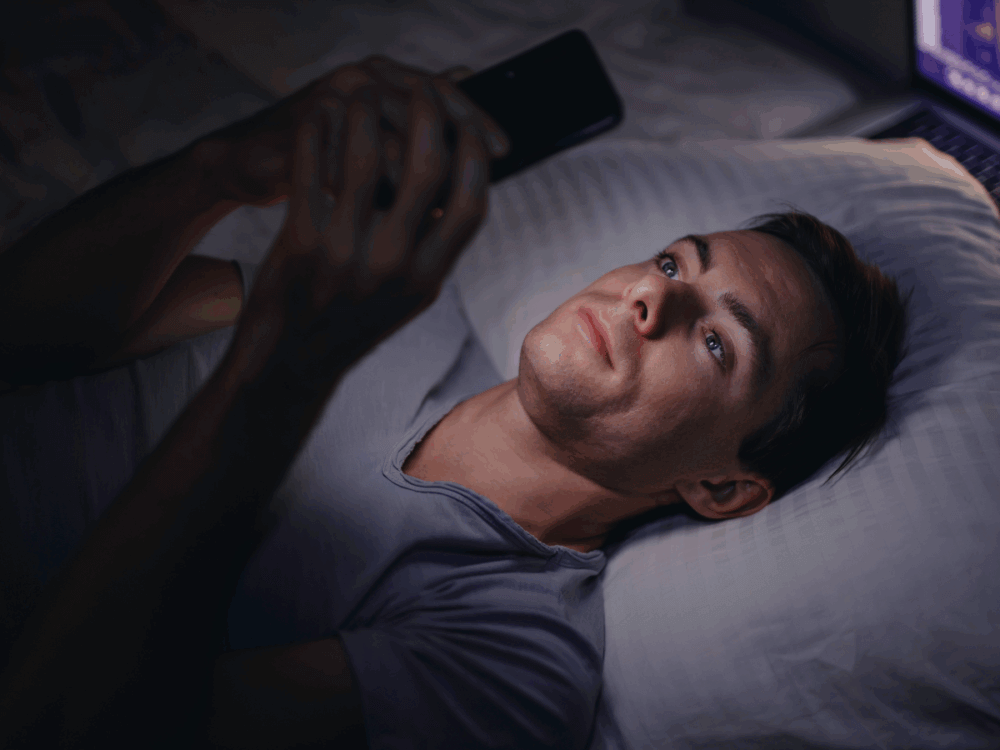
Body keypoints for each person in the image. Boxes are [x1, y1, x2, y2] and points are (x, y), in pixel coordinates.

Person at [0, 54, 908, 750]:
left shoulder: (512, 656)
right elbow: (27, 333)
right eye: (674, 262)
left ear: (720, 486)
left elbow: (65, 728)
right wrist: (219, 172)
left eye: (717, 342)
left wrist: (286, 367)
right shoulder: (402, 312)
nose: (652, 296)